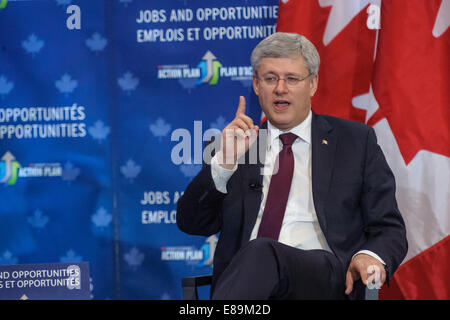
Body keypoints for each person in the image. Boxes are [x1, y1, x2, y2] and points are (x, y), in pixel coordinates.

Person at [177, 32, 407, 300]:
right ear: (256, 84)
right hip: (252, 285)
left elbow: (389, 228)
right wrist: (224, 163)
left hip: (325, 281)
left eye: (292, 79)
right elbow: (192, 223)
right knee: (258, 254)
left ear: (313, 84)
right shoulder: (233, 146)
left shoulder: (355, 141)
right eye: (270, 78)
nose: (280, 88)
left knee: (263, 250)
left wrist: (368, 256)